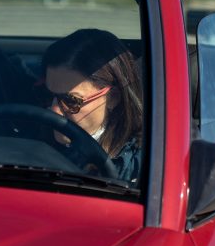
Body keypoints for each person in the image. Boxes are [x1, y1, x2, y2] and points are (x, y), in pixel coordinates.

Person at [42, 28, 143, 183]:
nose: (54, 110)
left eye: (71, 101)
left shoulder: (139, 164)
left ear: (113, 98)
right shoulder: (29, 136)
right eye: (49, 95)